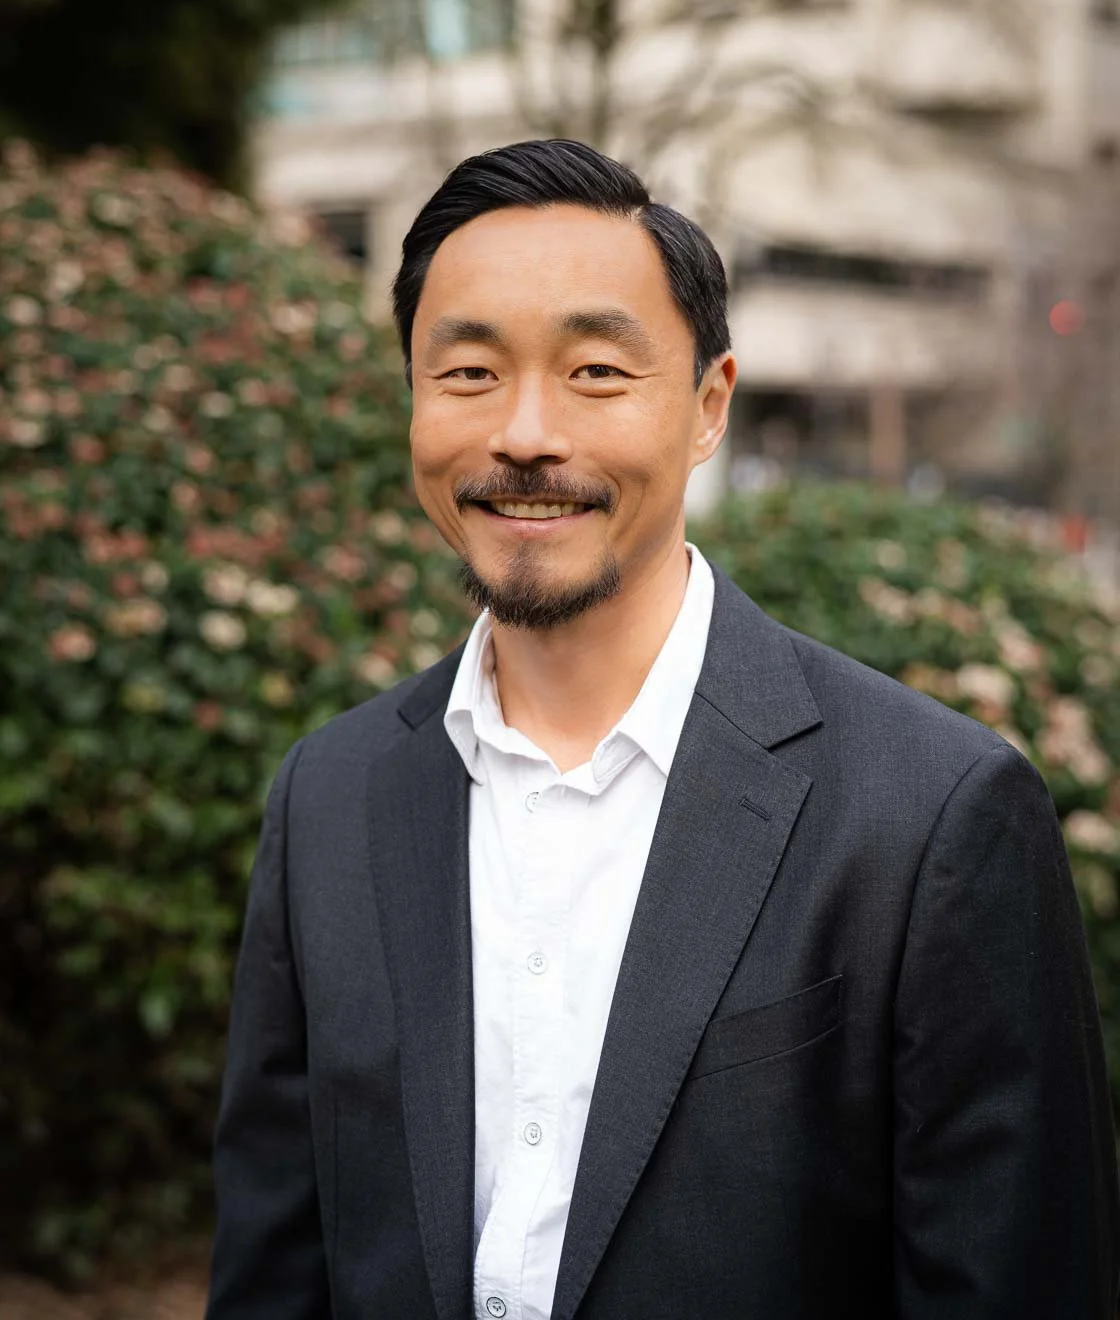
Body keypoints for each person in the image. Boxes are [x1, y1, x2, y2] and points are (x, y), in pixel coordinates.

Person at [206, 139, 1119, 1320]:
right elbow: (276, 1269)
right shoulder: (329, 795)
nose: (524, 433)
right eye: (469, 372)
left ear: (707, 406)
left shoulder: (929, 813)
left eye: (594, 370)